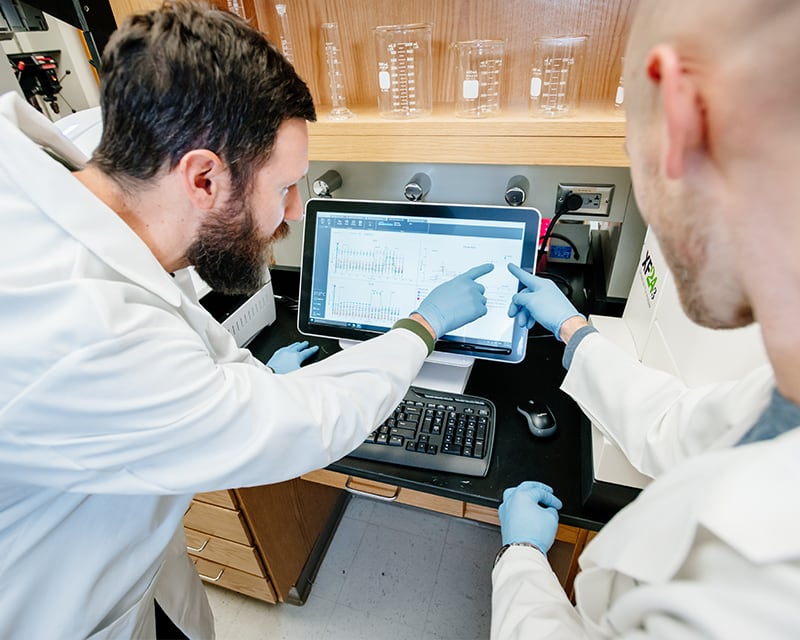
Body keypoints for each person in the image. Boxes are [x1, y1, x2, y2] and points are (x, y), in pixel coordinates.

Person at [0, 3, 495, 638]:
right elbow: (307, 424)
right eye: (284, 186)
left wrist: (246, 372)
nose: (293, 212)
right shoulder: (93, 334)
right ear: (203, 177)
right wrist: (424, 324)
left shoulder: (82, 160)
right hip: (62, 606)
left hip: (114, 543)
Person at [492, 0, 800, 637]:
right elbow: (681, 427)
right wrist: (575, 331)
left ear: (679, 114)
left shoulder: (757, 592)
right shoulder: (783, 395)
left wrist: (521, 560)